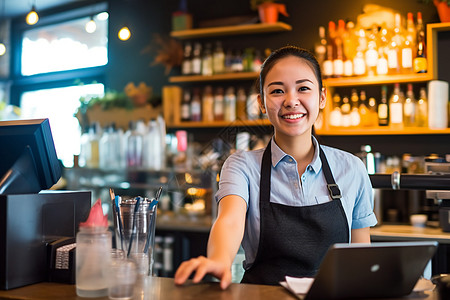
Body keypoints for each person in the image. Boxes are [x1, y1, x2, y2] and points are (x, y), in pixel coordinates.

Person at [174, 45, 378, 289]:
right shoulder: (241, 166)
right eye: (278, 91)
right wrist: (219, 260)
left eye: (303, 88)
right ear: (261, 103)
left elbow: (360, 258)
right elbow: (229, 220)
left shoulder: (352, 168)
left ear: (322, 97)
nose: (291, 101)